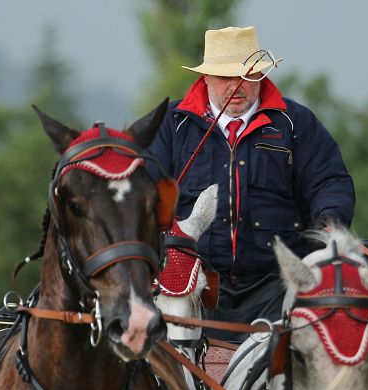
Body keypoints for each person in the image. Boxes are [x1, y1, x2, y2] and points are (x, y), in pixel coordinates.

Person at [146, 26, 355, 342]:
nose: (236, 85)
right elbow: (142, 193)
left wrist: (329, 221)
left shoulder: (295, 122)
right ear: (204, 78)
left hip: (279, 285)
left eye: (246, 74)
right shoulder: (172, 124)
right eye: (224, 77)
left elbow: (329, 180)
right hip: (192, 284)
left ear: (260, 74)